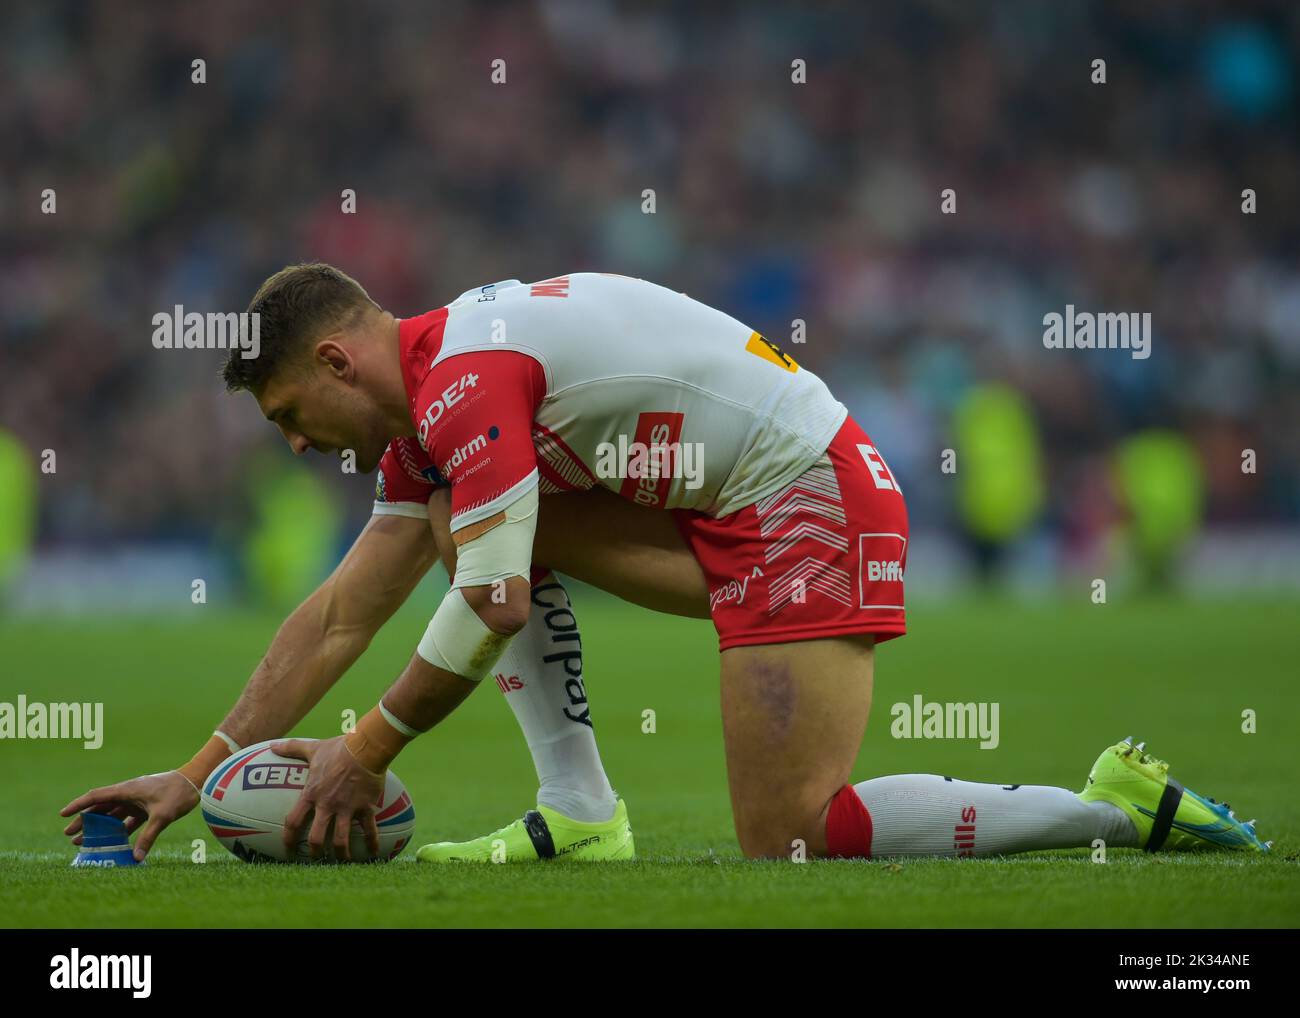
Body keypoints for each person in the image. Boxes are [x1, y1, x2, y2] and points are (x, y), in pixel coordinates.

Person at [61, 265, 1269, 862]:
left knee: (790, 835)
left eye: (285, 410)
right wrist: (197, 768)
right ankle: (582, 814)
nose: (289, 443)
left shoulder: (469, 384)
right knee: (461, 530)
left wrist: (364, 751)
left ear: (334, 362)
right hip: (720, 514)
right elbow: (337, 619)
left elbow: (487, 600)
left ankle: (1103, 801)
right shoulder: (436, 407)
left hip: (809, 498)